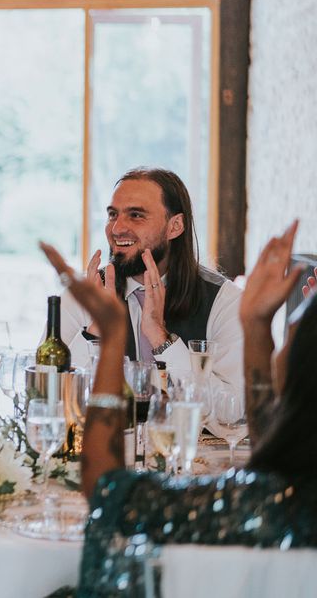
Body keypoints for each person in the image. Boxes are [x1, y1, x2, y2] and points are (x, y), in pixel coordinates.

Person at [40, 223, 317, 597]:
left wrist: (111, 338)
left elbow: (109, 490)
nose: (280, 350)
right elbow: (268, 436)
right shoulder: (287, 490)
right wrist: (257, 328)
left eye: (291, 338)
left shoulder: (265, 506)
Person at [61, 167, 243, 399]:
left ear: (175, 226)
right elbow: (52, 397)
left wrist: (160, 338)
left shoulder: (225, 301)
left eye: (136, 215)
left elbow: (233, 410)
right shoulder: (84, 295)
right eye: (113, 215)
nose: (117, 229)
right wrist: (97, 329)